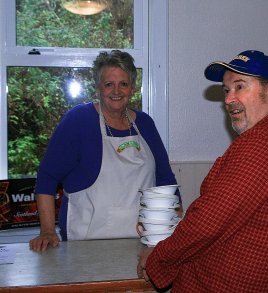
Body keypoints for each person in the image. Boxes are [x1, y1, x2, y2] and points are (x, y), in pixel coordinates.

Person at [137, 50, 268, 292]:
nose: (229, 99)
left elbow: (206, 223)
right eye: (226, 90)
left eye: (240, 87)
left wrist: (158, 258)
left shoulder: (261, 143)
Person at [29, 50, 179, 252]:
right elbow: (47, 178)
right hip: (85, 246)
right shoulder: (78, 121)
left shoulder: (145, 124)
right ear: (98, 87)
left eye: (123, 84)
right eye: (109, 84)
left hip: (144, 244)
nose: (116, 91)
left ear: (132, 88)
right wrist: (47, 231)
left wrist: (178, 228)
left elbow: (166, 181)